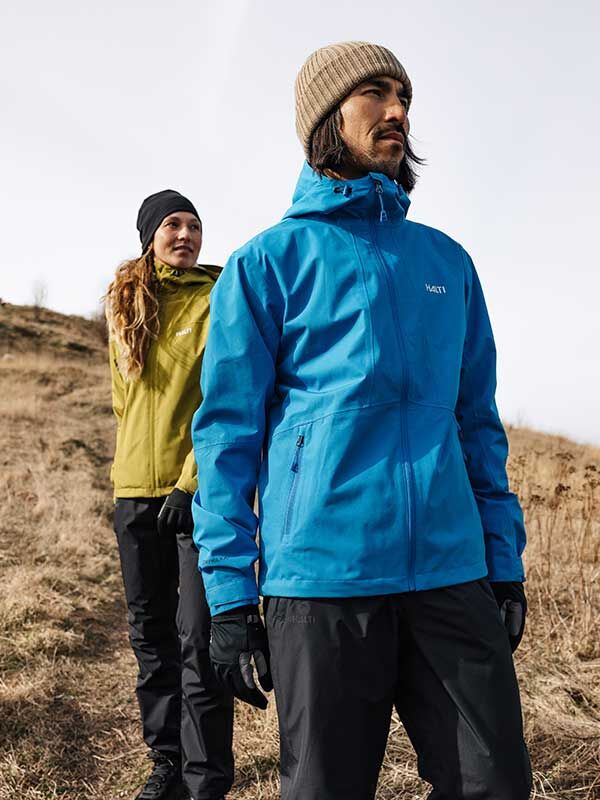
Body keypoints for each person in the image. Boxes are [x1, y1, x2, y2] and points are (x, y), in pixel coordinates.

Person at [191, 42, 532, 800]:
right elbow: (226, 440)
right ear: (325, 117)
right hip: (322, 582)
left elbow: (478, 424)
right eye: (376, 94)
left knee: (498, 785)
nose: (399, 112)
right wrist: (230, 596)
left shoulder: (448, 262)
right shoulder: (266, 263)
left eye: (404, 96)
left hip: (450, 573)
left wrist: (502, 561)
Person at [106, 190, 233, 800]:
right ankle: (166, 763)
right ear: (149, 235)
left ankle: (206, 776)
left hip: (193, 497)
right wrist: (127, 475)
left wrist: (190, 480)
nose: (184, 235)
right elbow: (122, 401)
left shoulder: (216, 300)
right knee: (148, 634)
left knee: (197, 637)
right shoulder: (125, 302)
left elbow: (223, 401)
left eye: (193, 225)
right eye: (171, 225)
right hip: (132, 493)